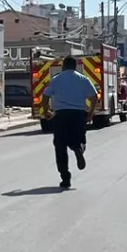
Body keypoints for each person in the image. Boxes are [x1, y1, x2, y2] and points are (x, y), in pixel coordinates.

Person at [40, 57, 96, 189]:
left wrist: (46, 110)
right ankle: (78, 148)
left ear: (63, 66)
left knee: (60, 146)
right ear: (75, 66)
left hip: (61, 115)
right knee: (79, 139)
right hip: (78, 115)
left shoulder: (56, 79)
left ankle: (65, 178)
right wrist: (91, 113)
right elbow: (94, 97)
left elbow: (45, 96)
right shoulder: (83, 79)